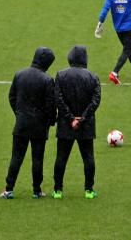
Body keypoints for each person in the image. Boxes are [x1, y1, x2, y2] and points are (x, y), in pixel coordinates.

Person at [1, 47, 56, 200]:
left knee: (16, 157)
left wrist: (19, 114)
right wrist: (51, 120)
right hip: (39, 125)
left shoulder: (19, 75)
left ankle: (9, 189)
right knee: (37, 158)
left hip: (22, 123)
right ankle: (37, 190)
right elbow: (50, 105)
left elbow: (12, 97)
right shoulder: (47, 80)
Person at [52, 45, 101, 200]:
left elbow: (58, 99)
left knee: (61, 158)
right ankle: (89, 190)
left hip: (66, 125)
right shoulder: (93, 77)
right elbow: (95, 101)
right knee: (88, 157)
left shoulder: (60, 75)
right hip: (86, 125)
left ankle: (58, 190)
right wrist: (82, 118)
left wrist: (70, 118)